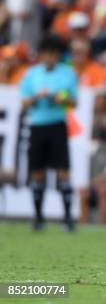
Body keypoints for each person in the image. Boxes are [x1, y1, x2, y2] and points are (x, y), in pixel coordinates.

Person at [19, 35, 78, 231]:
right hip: (37, 126)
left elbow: (73, 101)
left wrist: (59, 98)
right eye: (46, 54)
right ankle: (38, 217)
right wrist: (36, 97)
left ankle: (68, 218)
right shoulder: (32, 74)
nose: (49, 58)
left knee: (63, 172)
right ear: (41, 55)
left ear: (57, 55)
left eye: (53, 54)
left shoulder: (67, 74)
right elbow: (24, 103)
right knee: (37, 173)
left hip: (57, 125)